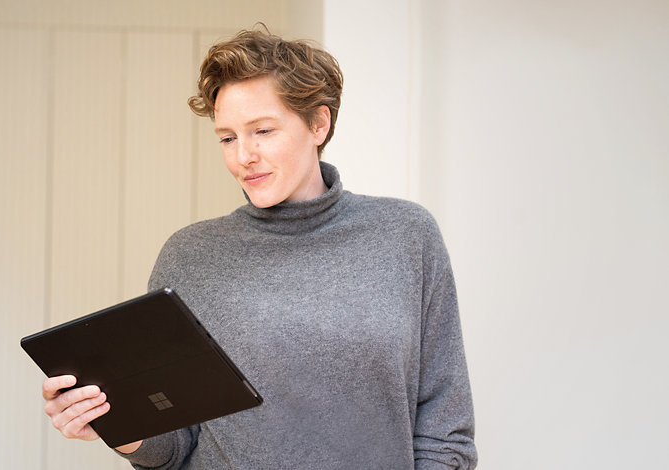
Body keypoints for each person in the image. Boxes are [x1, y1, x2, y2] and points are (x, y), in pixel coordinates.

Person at [42, 26, 477, 469]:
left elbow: (446, 432)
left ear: (318, 124)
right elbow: (173, 447)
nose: (242, 156)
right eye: (228, 138)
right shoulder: (191, 256)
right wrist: (120, 425)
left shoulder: (405, 235)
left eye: (263, 131)